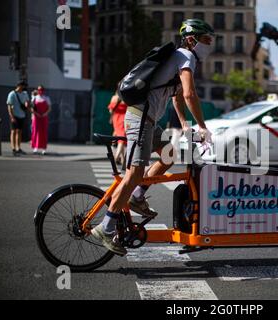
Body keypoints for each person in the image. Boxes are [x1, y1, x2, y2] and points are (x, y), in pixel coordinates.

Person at [91, 19, 215, 255]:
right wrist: (202, 125)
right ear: (192, 40)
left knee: (169, 155)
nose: (210, 44)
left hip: (149, 121)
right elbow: (190, 94)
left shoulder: (179, 58)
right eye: (206, 40)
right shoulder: (186, 57)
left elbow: (178, 96)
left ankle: (137, 197)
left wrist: (185, 126)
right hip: (140, 119)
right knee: (134, 173)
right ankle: (106, 228)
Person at [7, 81, 30, 156]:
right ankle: (13, 148)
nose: (24, 87)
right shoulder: (12, 94)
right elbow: (9, 106)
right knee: (13, 131)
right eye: (23, 86)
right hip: (14, 115)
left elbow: (27, 102)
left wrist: (27, 104)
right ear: (19, 85)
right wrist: (12, 116)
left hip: (22, 115)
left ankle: (18, 148)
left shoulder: (25, 93)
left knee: (19, 132)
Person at [108, 89, 128, 166]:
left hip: (116, 118)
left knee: (121, 138)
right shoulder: (126, 98)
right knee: (122, 139)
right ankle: (116, 158)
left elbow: (110, 110)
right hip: (124, 119)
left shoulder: (114, 97)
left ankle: (123, 160)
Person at [31, 85, 51, 155]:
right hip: (36, 118)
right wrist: (36, 114)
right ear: (37, 90)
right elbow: (31, 108)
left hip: (44, 117)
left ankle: (44, 149)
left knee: (44, 132)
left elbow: (49, 108)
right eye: (39, 89)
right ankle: (35, 148)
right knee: (35, 131)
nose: (40, 91)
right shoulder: (34, 98)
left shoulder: (46, 98)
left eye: (42, 89)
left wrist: (45, 114)